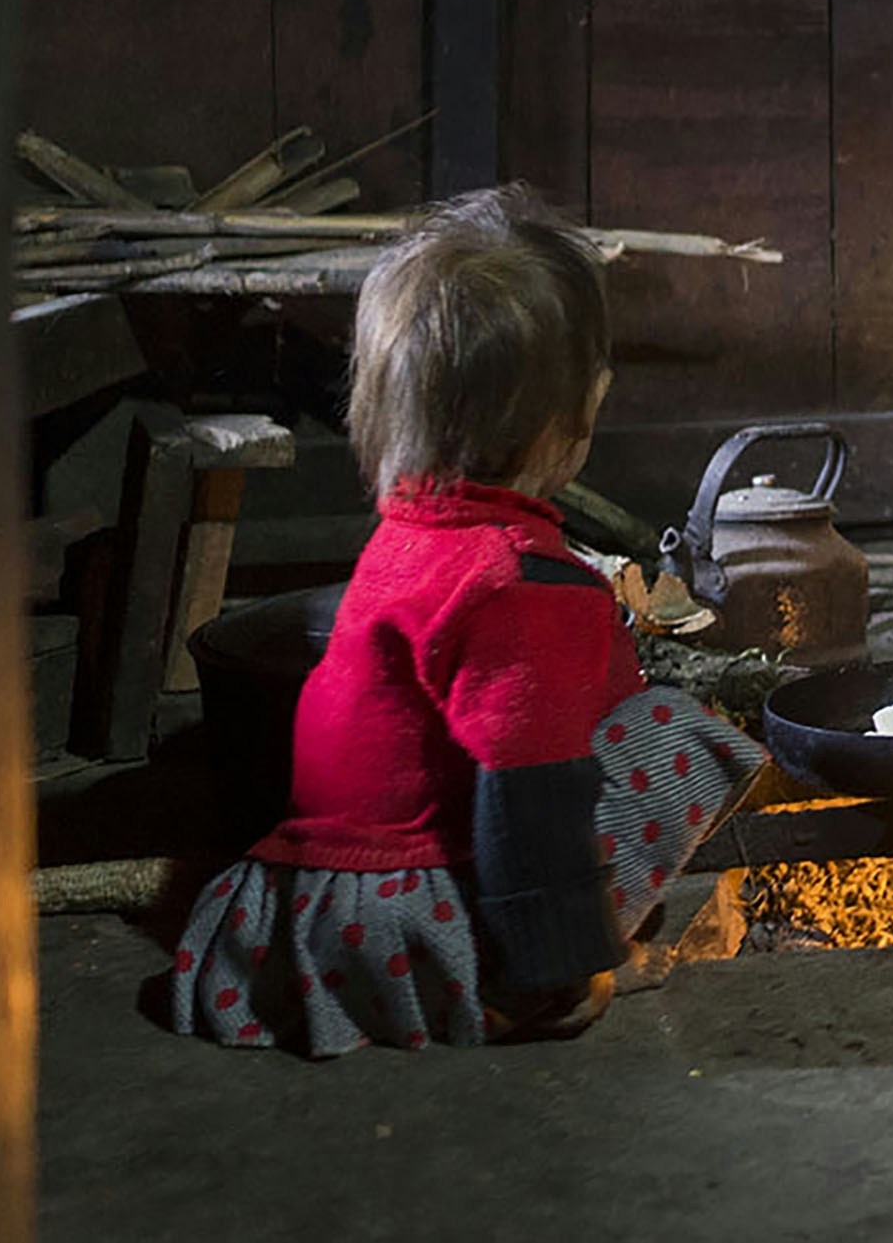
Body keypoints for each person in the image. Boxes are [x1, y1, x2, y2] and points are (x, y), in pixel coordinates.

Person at [173, 186, 763, 1055]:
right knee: (679, 731)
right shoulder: (523, 584)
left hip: (304, 902)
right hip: (410, 919)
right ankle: (508, 986)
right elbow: (530, 796)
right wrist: (566, 967)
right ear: (571, 423)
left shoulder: (406, 536)